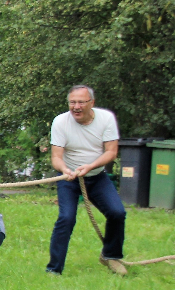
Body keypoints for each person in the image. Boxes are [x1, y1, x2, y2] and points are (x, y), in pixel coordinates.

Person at [47, 85, 126, 276]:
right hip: (69, 178)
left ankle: (110, 256)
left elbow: (111, 152)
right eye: (72, 102)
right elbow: (56, 157)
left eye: (81, 102)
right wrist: (65, 169)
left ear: (92, 103)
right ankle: (54, 270)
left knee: (117, 213)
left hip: (96, 176)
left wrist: (90, 167)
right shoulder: (60, 122)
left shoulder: (106, 119)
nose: (76, 107)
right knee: (66, 218)